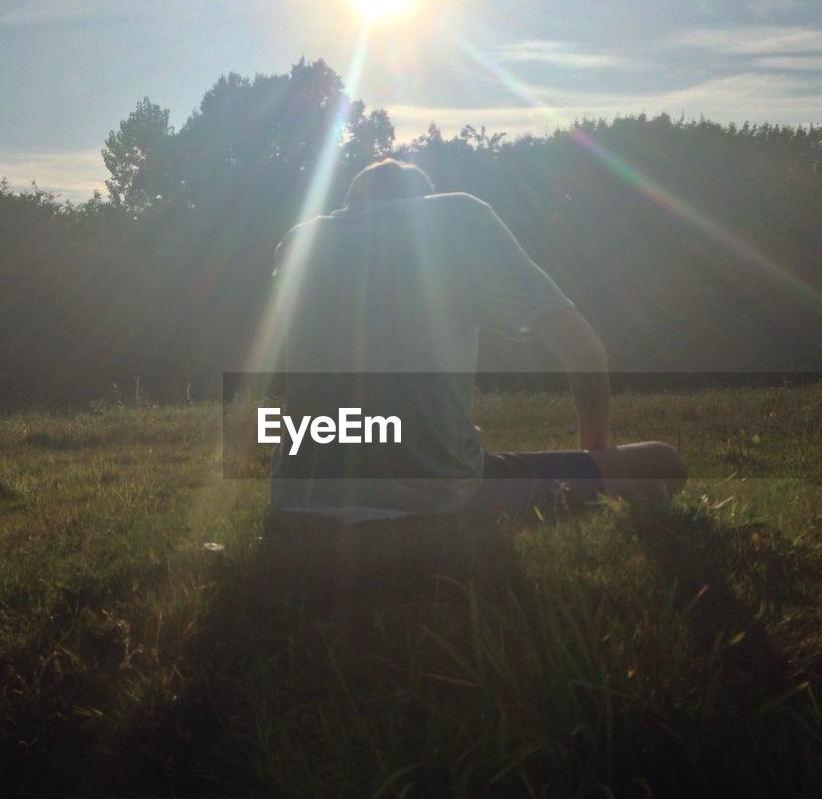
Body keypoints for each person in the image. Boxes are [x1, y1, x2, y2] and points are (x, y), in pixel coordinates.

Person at [264, 157, 685, 524]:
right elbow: (585, 349)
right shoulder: (457, 216)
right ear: (421, 201)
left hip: (298, 495)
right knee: (663, 462)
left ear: (351, 206)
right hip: (435, 496)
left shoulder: (297, 242)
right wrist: (596, 456)